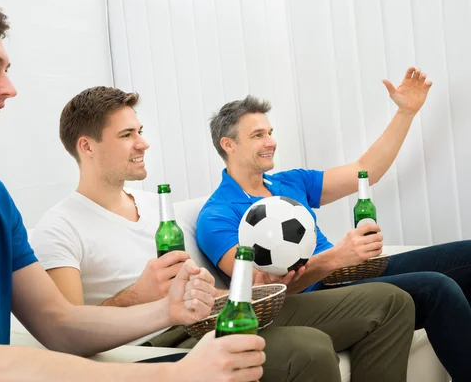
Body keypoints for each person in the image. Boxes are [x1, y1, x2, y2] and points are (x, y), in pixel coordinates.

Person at [0, 0, 268, 382]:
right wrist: (178, 375)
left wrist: (166, 310)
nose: (9, 88)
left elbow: (58, 324)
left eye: (6, 69)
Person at [32, 85, 416, 382]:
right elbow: (69, 333)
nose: (143, 142)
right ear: (87, 147)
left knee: (391, 302)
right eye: (127, 135)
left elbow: (194, 283)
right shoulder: (59, 228)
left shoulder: (153, 206)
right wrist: (138, 296)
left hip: (209, 313)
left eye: (141, 131)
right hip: (158, 340)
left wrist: (244, 290)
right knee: (309, 347)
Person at [196, 76, 471, 381]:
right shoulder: (217, 215)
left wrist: (405, 112)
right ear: (228, 144)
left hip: (349, 271)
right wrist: (335, 258)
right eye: (258, 135)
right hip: (320, 290)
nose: (271, 141)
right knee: (437, 288)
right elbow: (261, 291)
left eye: (270, 132)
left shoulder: (290, 181)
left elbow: (367, 170)